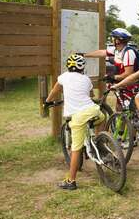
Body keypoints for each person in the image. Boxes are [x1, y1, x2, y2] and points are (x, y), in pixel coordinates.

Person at [45, 54, 105, 190]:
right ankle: (100, 141)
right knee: (102, 118)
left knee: (75, 149)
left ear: (68, 66)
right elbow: (91, 95)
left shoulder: (64, 77)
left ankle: (71, 181)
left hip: (78, 117)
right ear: (82, 66)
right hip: (93, 110)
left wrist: (47, 101)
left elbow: (55, 90)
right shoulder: (86, 79)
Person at [85, 28, 139, 108]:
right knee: (119, 107)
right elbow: (102, 52)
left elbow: (128, 74)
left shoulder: (128, 53)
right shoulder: (117, 50)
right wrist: (85, 55)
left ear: (117, 40)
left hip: (130, 85)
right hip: (122, 84)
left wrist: (113, 77)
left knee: (132, 109)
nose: (112, 39)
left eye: (113, 38)